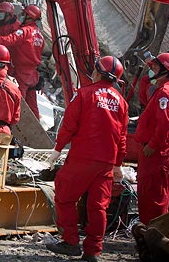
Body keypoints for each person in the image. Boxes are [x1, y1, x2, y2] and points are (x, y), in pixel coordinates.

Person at [46, 56, 128, 262]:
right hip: (106, 163)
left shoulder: (83, 94)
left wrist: (57, 150)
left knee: (65, 197)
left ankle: (70, 242)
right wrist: (118, 163)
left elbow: (69, 125)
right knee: (98, 207)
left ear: (98, 73)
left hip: (82, 158)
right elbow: (122, 136)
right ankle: (93, 251)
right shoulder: (122, 102)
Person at [134, 53, 169, 224]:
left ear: (165, 70)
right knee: (159, 194)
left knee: (152, 196)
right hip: (164, 150)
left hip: (156, 152)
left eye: (155, 67)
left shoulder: (165, 92)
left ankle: (151, 235)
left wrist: (153, 145)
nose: (152, 70)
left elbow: (165, 124)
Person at [0, 5, 44, 119]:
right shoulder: (39, 35)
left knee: (15, 103)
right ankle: (35, 133)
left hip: (21, 73)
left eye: (24, 14)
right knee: (32, 107)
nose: (21, 16)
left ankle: (12, 129)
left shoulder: (25, 31)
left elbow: (11, 39)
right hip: (32, 75)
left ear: (29, 17)